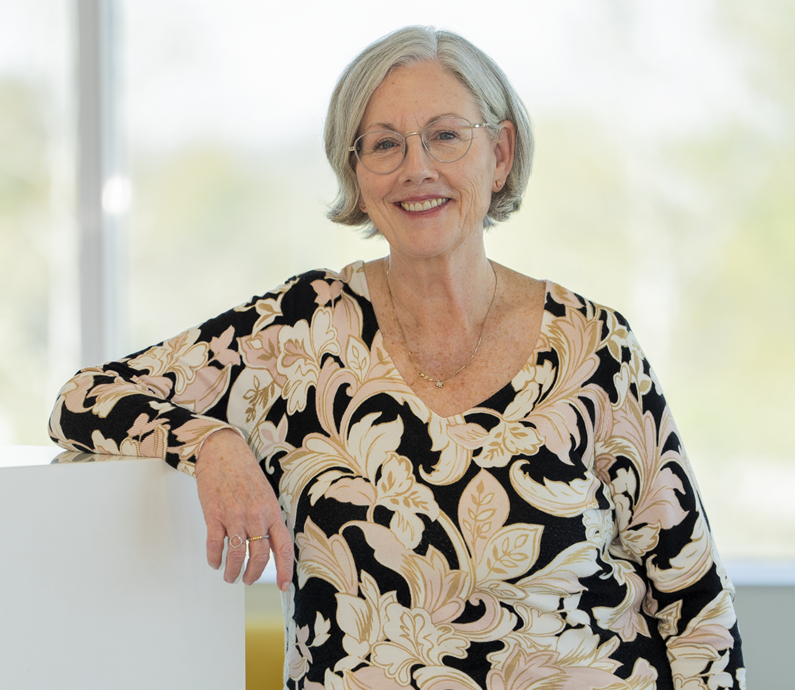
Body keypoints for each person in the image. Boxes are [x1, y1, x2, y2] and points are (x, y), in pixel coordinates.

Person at [49, 25, 745, 690]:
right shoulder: (297, 335)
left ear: (500, 154)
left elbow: (697, 606)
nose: (417, 169)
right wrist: (212, 441)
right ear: (356, 171)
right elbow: (83, 399)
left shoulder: (593, 345)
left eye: (445, 136)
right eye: (384, 145)